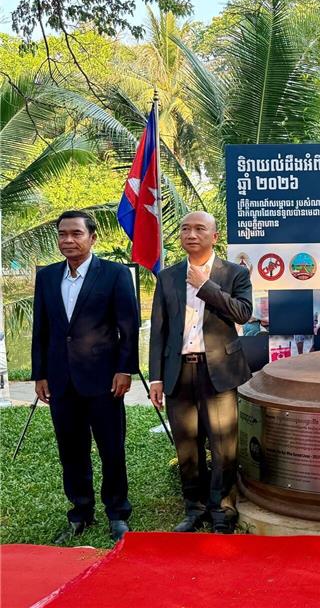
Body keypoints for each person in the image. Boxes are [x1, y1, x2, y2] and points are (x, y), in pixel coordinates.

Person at [31, 210, 139, 544]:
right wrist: (40, 374)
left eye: (76, 234)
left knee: (111, 448)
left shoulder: (115, 274)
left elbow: (129, 327)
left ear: (92, 237)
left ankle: (117, 512)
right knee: (71, 450)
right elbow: (42, 330)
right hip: (61, 381)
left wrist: (125, 369)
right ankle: (80, 511)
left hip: (104, 379)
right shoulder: (47, 277)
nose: (68, 240)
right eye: (63, 234)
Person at [148, 211, 253, 534]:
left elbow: (243, 313)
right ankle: (194, 508)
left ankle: (222, 509)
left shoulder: (234, 273)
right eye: (185, 228)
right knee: (187, 444)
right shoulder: (168, 277)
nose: (190, 234)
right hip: (180, 372)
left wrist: (205, 286)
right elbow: (159, 331)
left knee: (223, 445)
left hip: (219, 371)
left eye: (199, 229)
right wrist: (156, 377)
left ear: (214, 236)